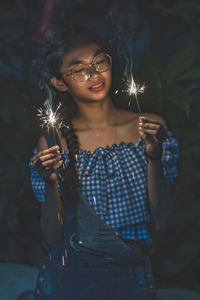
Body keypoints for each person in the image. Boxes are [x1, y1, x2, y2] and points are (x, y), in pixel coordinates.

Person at [29, 26, 178, 300]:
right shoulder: (54, 142)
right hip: (74, 280)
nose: (94, 74)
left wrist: (154, 157)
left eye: (99, 62)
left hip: (133, 278)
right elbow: (52, 238)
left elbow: (162, 218)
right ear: (60, 82)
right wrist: (51, 184)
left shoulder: (147, 127)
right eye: (79, 69)